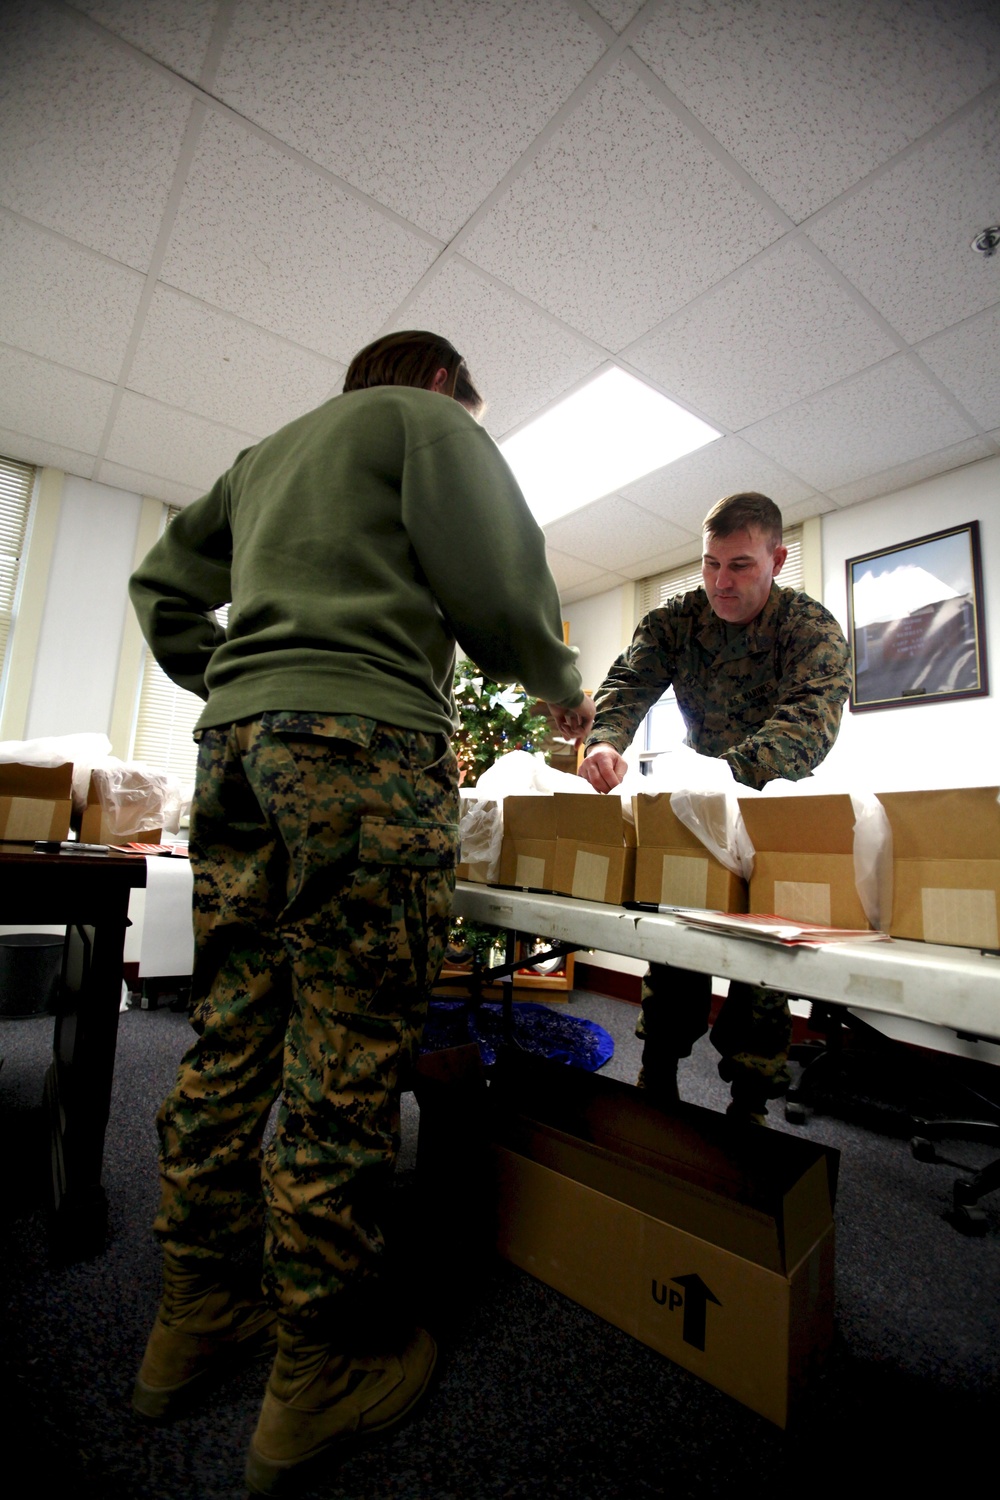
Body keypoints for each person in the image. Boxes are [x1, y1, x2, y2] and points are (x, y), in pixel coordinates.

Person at [128, 330, 594, 1495]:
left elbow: (163, 589)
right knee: (343, 1053)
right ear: (443, 385)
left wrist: (241, 678)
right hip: (364, 751)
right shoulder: (427, 425)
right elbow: (499, 594)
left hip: (233, 753)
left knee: (232, 1029)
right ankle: (319, 1370)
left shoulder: (262, 456)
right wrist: (562, 686)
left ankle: (195, 1316)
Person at [579, 491, 850, 1123]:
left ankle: (750, 1105)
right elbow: (626, 684)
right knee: (674, 954)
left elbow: (809, 727)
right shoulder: (678, 621)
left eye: (739, 566)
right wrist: (604, 742)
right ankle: (658, 1076)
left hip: (767, 811)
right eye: (709, 564)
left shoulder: (808, 628)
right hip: (696, 813)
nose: (720, 583)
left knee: (762, 970)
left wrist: (722, 774)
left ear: (777, 559)